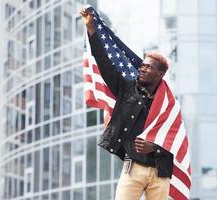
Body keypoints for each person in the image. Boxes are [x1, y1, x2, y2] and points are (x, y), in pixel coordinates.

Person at [81, 8, 174, 200]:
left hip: (160, 173)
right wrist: (91, 29)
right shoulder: (126, 88)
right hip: (133, 168)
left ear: (160, 74)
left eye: (148, 67)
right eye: (142, 66)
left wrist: (154, 147)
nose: (142, 69)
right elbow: (105, 64)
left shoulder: (168, 105)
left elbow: (175, 141)